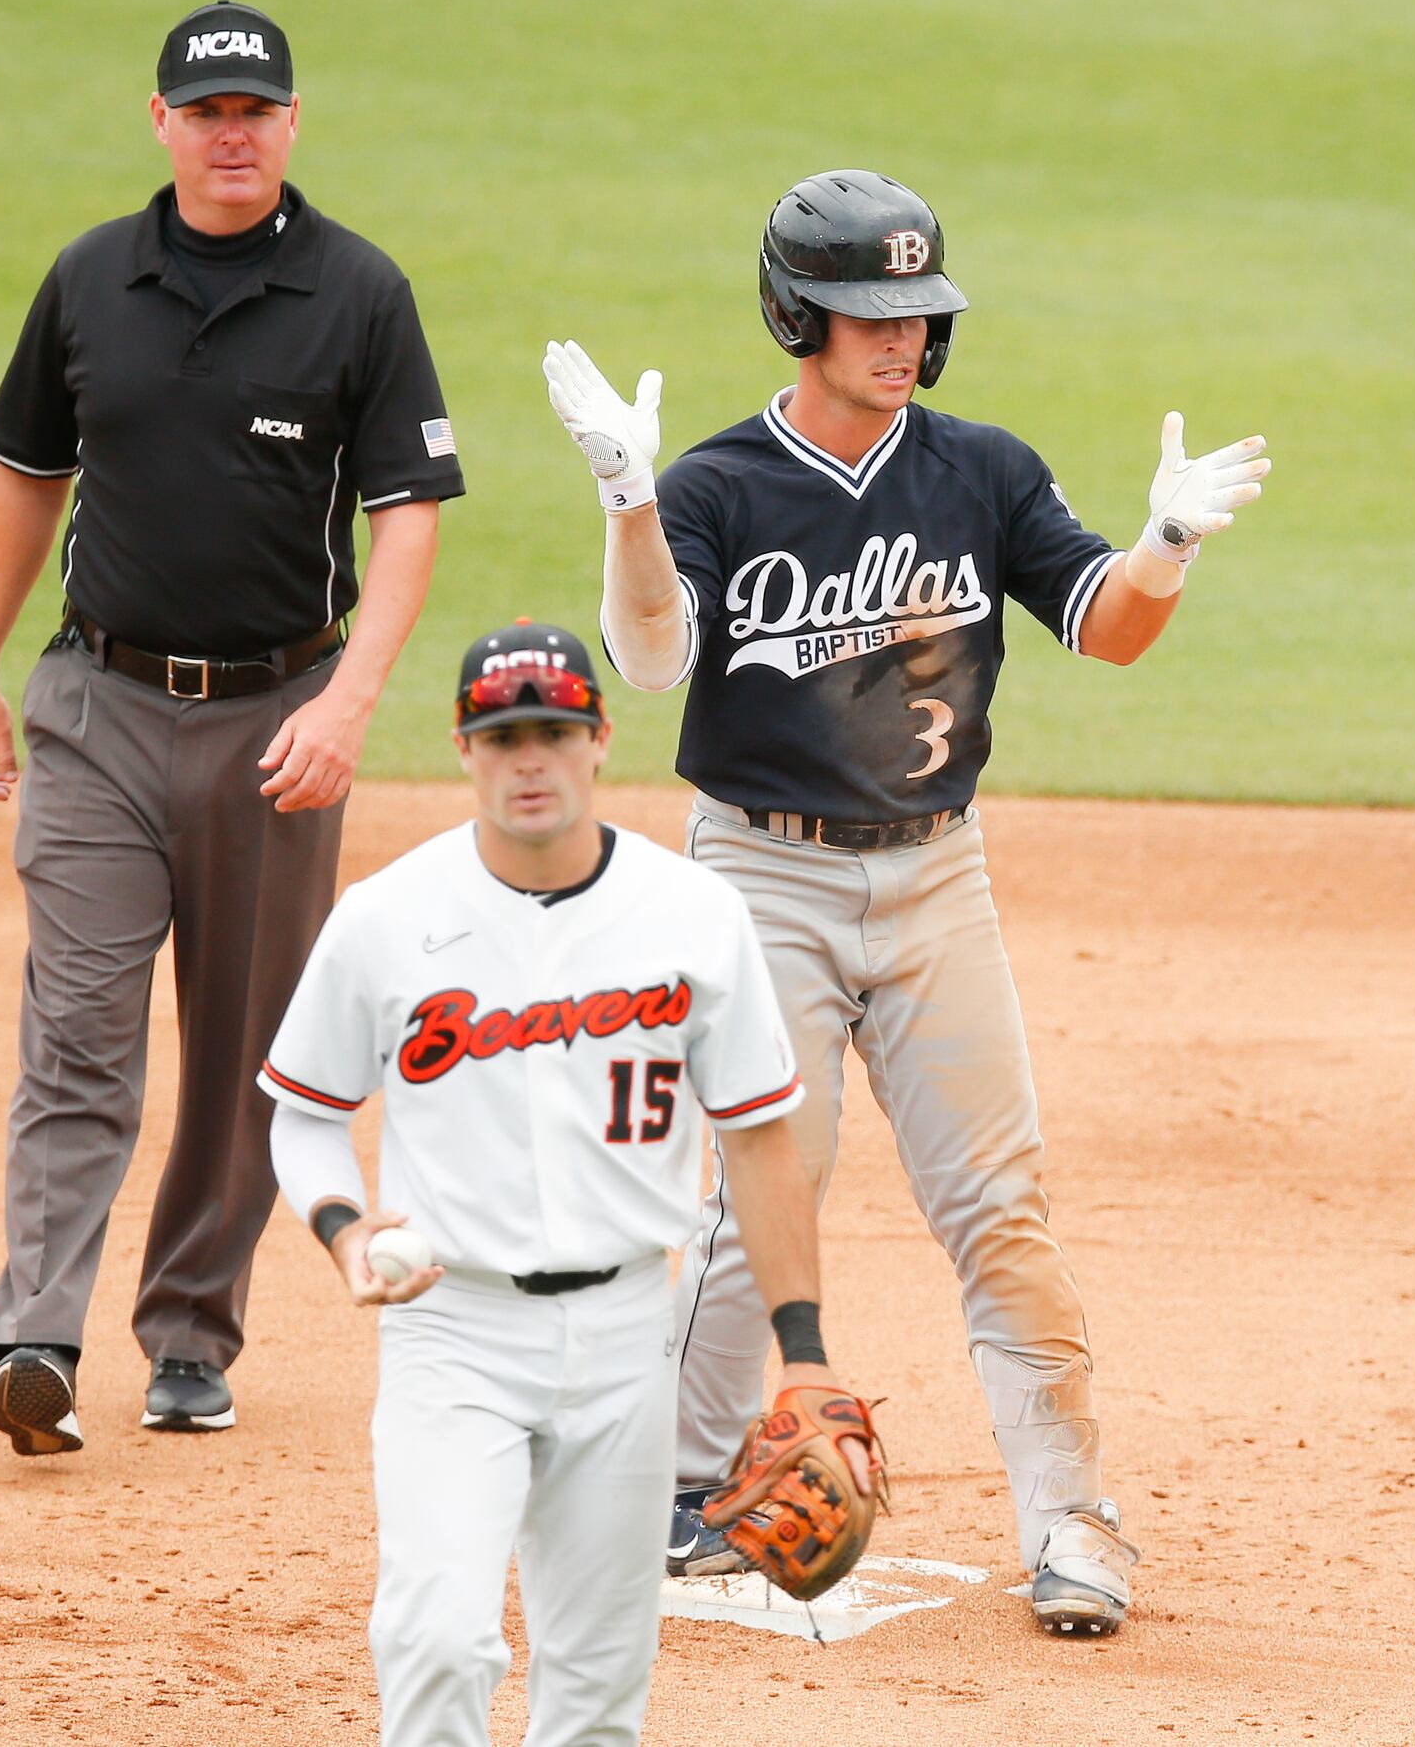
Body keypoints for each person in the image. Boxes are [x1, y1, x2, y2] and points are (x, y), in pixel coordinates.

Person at [542, 167, 1272, 1635]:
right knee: (769, 1190)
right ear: (794, 316)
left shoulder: (981, 470)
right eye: (869, 316)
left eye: (917, 314)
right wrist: (628, 498)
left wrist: (1166, 547)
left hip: (939, 874)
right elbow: (646, 660)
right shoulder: (716, 486)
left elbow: (1106, 630)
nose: (901, 339)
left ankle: (1072, 1520)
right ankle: (679, 1492)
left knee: (1002, 1205)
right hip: (761, 876)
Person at [0, 0, 464, 1454]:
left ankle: (189, 1333)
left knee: (249, 1043)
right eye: (206, 110)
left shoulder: (358, 291)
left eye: (256, 110)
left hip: (277, 718)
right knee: (79, 1027)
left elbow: (407, 515)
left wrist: (350, 702)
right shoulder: (89, 280)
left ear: (292, 123)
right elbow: (26, 476)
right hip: (97, 708)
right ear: (161, 121)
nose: (232, 133)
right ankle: (36, 1330)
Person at [260, 619, 871, 1746]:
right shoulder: (388, 918)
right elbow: (304, 1117)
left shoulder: (693, 915)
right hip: (452, 1330)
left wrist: (806, 1350)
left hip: (628, 1336)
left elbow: (758, 1141)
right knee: (436, 1640)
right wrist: (343, 1229)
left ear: (597, 741)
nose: (526, 760)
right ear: (461, 748)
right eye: (500, 738)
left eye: (550, 733)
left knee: (595, 1693)